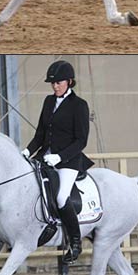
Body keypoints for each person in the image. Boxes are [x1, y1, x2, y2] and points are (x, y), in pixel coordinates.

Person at [22, 60, 94, 263]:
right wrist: (27, 151)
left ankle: (75, 241)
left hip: (68, 161)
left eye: (59, 82)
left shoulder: (79, 105)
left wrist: (60, 156)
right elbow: (41, 133)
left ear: (69, 82)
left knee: (62, 197)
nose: (55, 86)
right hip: (45, 156)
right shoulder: (48, 101)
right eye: (52, 83)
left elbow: (81, 140)